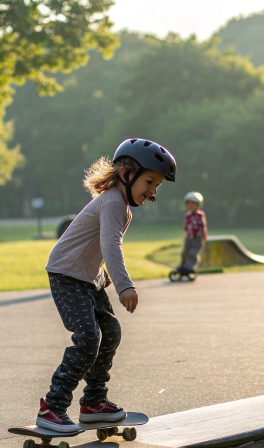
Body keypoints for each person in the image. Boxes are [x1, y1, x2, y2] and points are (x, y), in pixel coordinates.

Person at [36, 138, 176, 432]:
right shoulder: (113, 202)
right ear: (127, 173)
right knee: (88, 338)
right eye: (149, 181)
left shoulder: (120, 204)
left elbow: (98, 244)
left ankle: (94, 402)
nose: (152, 191)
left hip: (88, 277)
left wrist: (103, 274)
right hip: (66, 275)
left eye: (157, 186)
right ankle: (53, 406)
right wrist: (125, 285)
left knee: (110, 331)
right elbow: (111, 244)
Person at [177, 192, 207, 275]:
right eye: (189, 203)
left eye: (193, 204)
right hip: (189, 237)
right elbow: (185, 227)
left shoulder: (200, 215)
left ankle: (190, 266)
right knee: (185, 252)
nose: (190, 205)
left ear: (198, 204)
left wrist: (204, 237)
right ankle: (183, 266)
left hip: (197, 238)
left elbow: (202, 227)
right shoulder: (187, 215)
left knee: (193, 253)